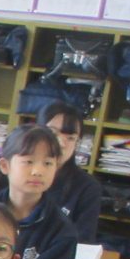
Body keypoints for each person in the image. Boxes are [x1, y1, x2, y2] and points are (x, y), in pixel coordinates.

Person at [0, 123, 77, 259]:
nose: (37, 171)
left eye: (48, 163)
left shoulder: (61, 232)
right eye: (28, 162)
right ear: (5, 166)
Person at [37, 101, 102, 244]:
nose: (61, 143)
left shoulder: (88, 187)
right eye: (52, 133)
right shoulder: (15, 173)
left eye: (70, 138)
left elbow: (83, 241)